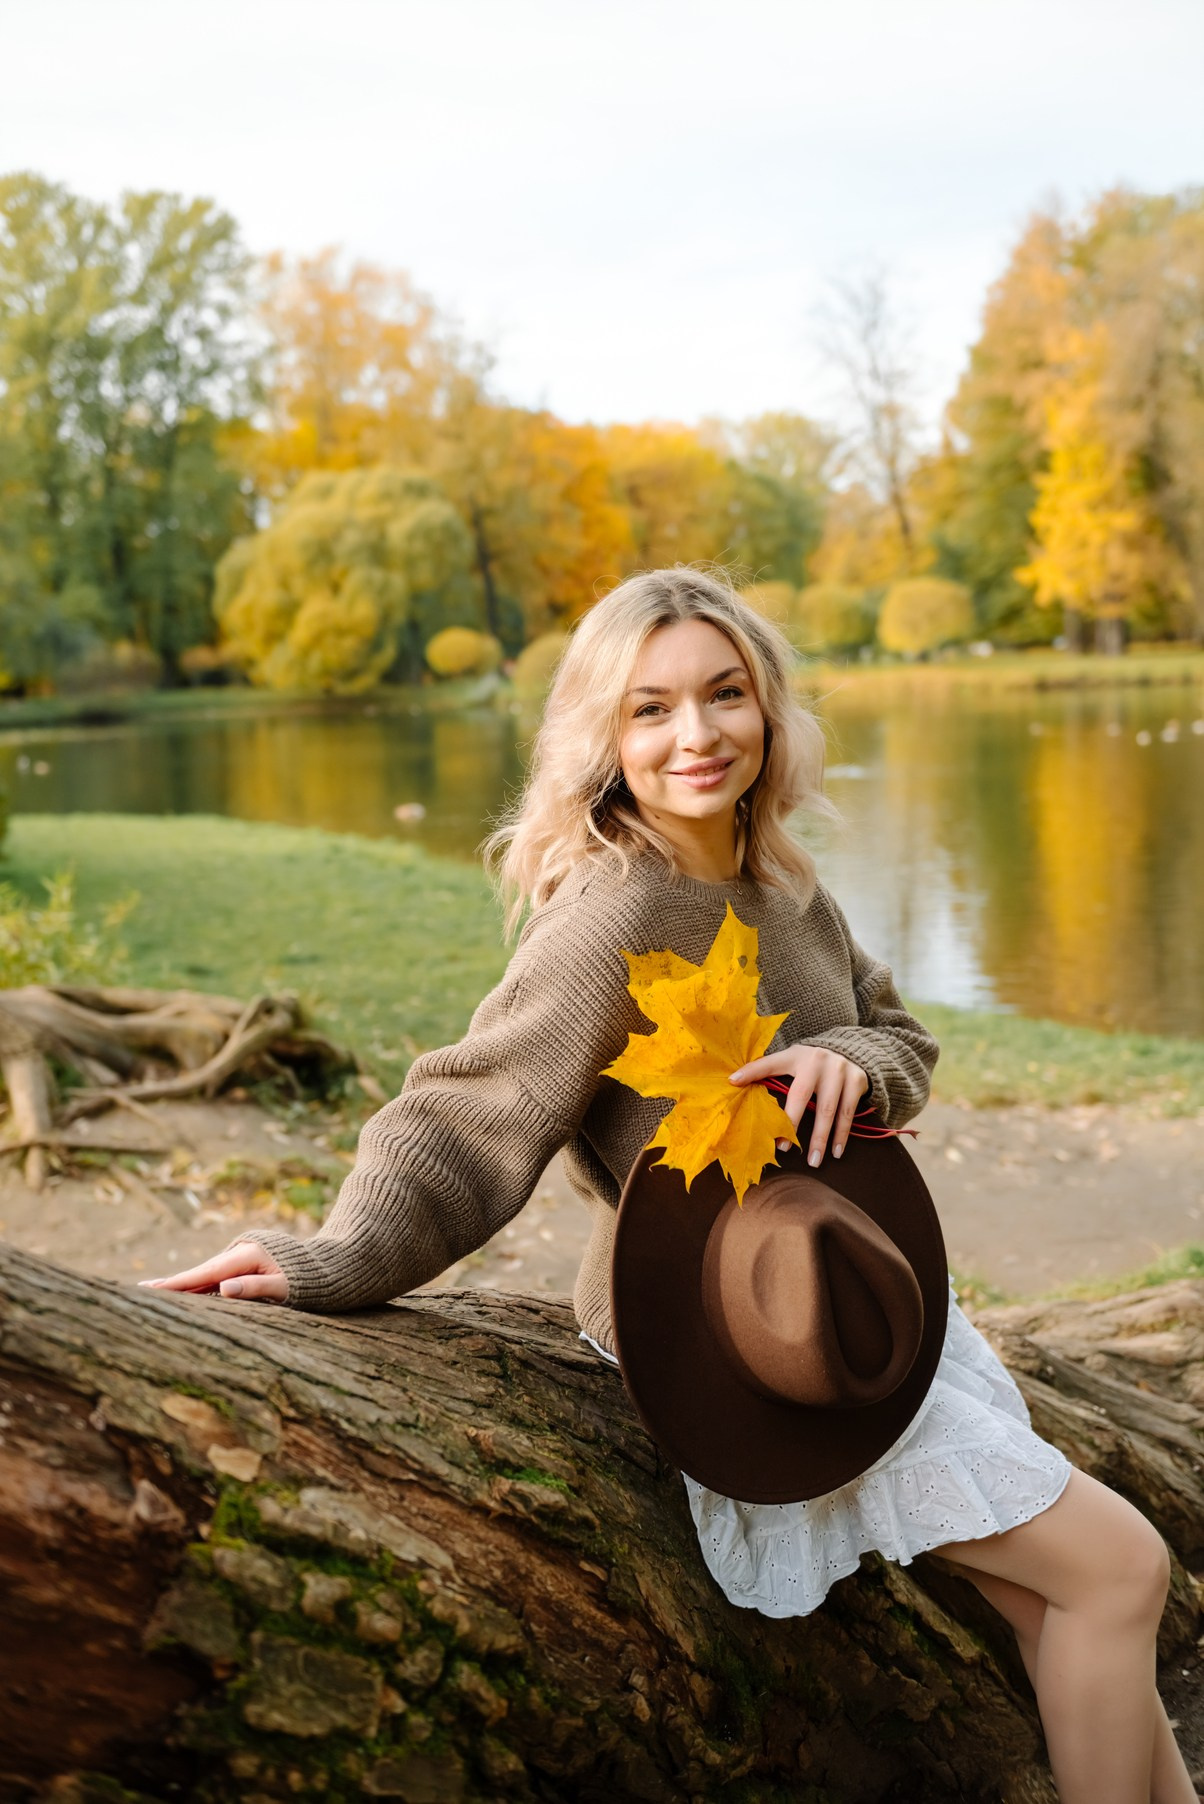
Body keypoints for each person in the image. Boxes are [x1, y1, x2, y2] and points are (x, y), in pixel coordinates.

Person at [144, 566, 1195, 1804]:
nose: (695, 734)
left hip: (851, 1287)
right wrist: (326, 1259)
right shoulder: (613, 913)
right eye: (650, 708)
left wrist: (847, 1059)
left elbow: (900, 1038)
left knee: (1057, 1603)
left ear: (767, 708)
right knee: (1122, 1570)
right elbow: (468, 1115)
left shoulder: (784, 883)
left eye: (723, 694)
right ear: (603, 734)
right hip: (735, 1332)